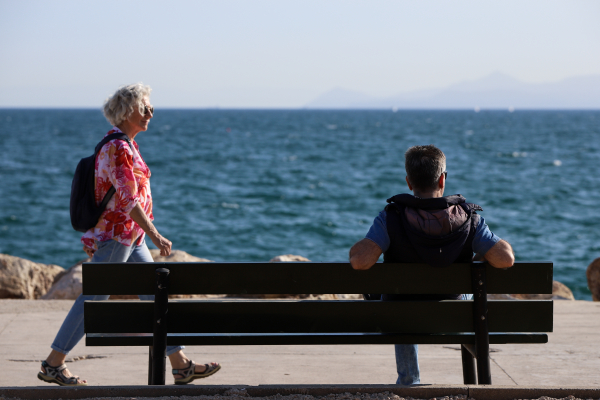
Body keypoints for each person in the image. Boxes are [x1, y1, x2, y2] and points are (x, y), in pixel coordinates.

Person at [37, 83, 220, 386]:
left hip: (129, 237)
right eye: (144, 106)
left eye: (150, 106)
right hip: (119, 237)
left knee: (154, 293)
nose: (151, 111)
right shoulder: (118, 147)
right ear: (126, 112)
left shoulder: (125, 144)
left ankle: (181, 364)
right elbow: (127, 200)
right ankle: (53, 363)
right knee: (92, 299)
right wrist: (156, 235)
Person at [349, 144, 514, 386]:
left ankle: (409, 380)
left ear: (408, 182)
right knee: (470, 288)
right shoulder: (469, 219)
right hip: (455, 316)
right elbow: (506, 258)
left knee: (399, 302)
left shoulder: (390, 219)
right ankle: (472, 345)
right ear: (442, 180)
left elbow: (359, 261)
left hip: (401, 318)